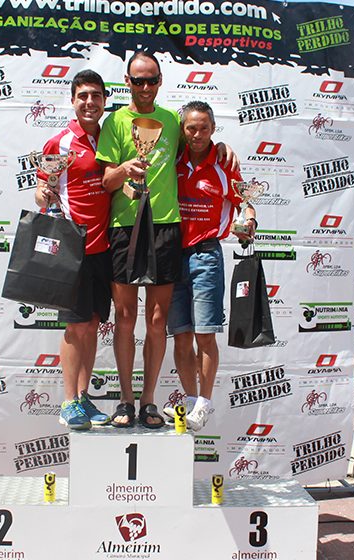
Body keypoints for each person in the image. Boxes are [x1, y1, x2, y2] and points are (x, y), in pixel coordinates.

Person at [96, 51, 239, 429]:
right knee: (125, 319)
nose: (145, 87)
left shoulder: (173, 122)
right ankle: (125, 401)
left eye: (152, 80)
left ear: (160, 81)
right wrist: (125, 169)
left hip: (166, 228)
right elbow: (106, 180)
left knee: (158, 322)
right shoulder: (114, 122)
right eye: (138, 80)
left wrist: (222, 149)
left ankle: (148, 402)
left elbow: (199, 146)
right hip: (125, 227)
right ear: (127, 82)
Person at [167, 101, 257, 431]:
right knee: (180, 336)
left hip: (207, 256)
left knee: (204, 336)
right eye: (191, 128)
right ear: (182, 130)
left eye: (204, 128)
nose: (197, 134)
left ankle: (204, 403)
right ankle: (190, 402)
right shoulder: (171, 160)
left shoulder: (223, 164)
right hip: (172, 256)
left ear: (213, 129)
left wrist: (250, 220)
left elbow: (244, 199)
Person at [35, 70, 113, 431]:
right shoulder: (61, 142)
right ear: (73, 100)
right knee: (75, 325)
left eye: (95, 96)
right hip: (72, 244)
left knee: (94, 323)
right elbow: (42, 186)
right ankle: (68, 401)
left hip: (105, 246)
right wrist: (43, 195)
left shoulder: (114, 138)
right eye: (83, 96)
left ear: (104, 101)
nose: (89, 102)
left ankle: (83, 396)